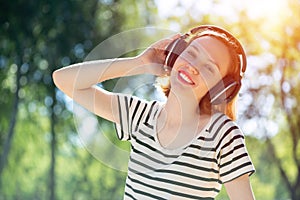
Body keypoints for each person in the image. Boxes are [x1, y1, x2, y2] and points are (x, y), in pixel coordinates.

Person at [53, 25, 255, 200]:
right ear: (175, 55)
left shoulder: (223, 134)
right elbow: (64, 80)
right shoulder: (139, 115)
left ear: (222, 90)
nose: (194, 66)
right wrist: (139, 63)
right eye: (191, 54)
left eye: (209, 68)